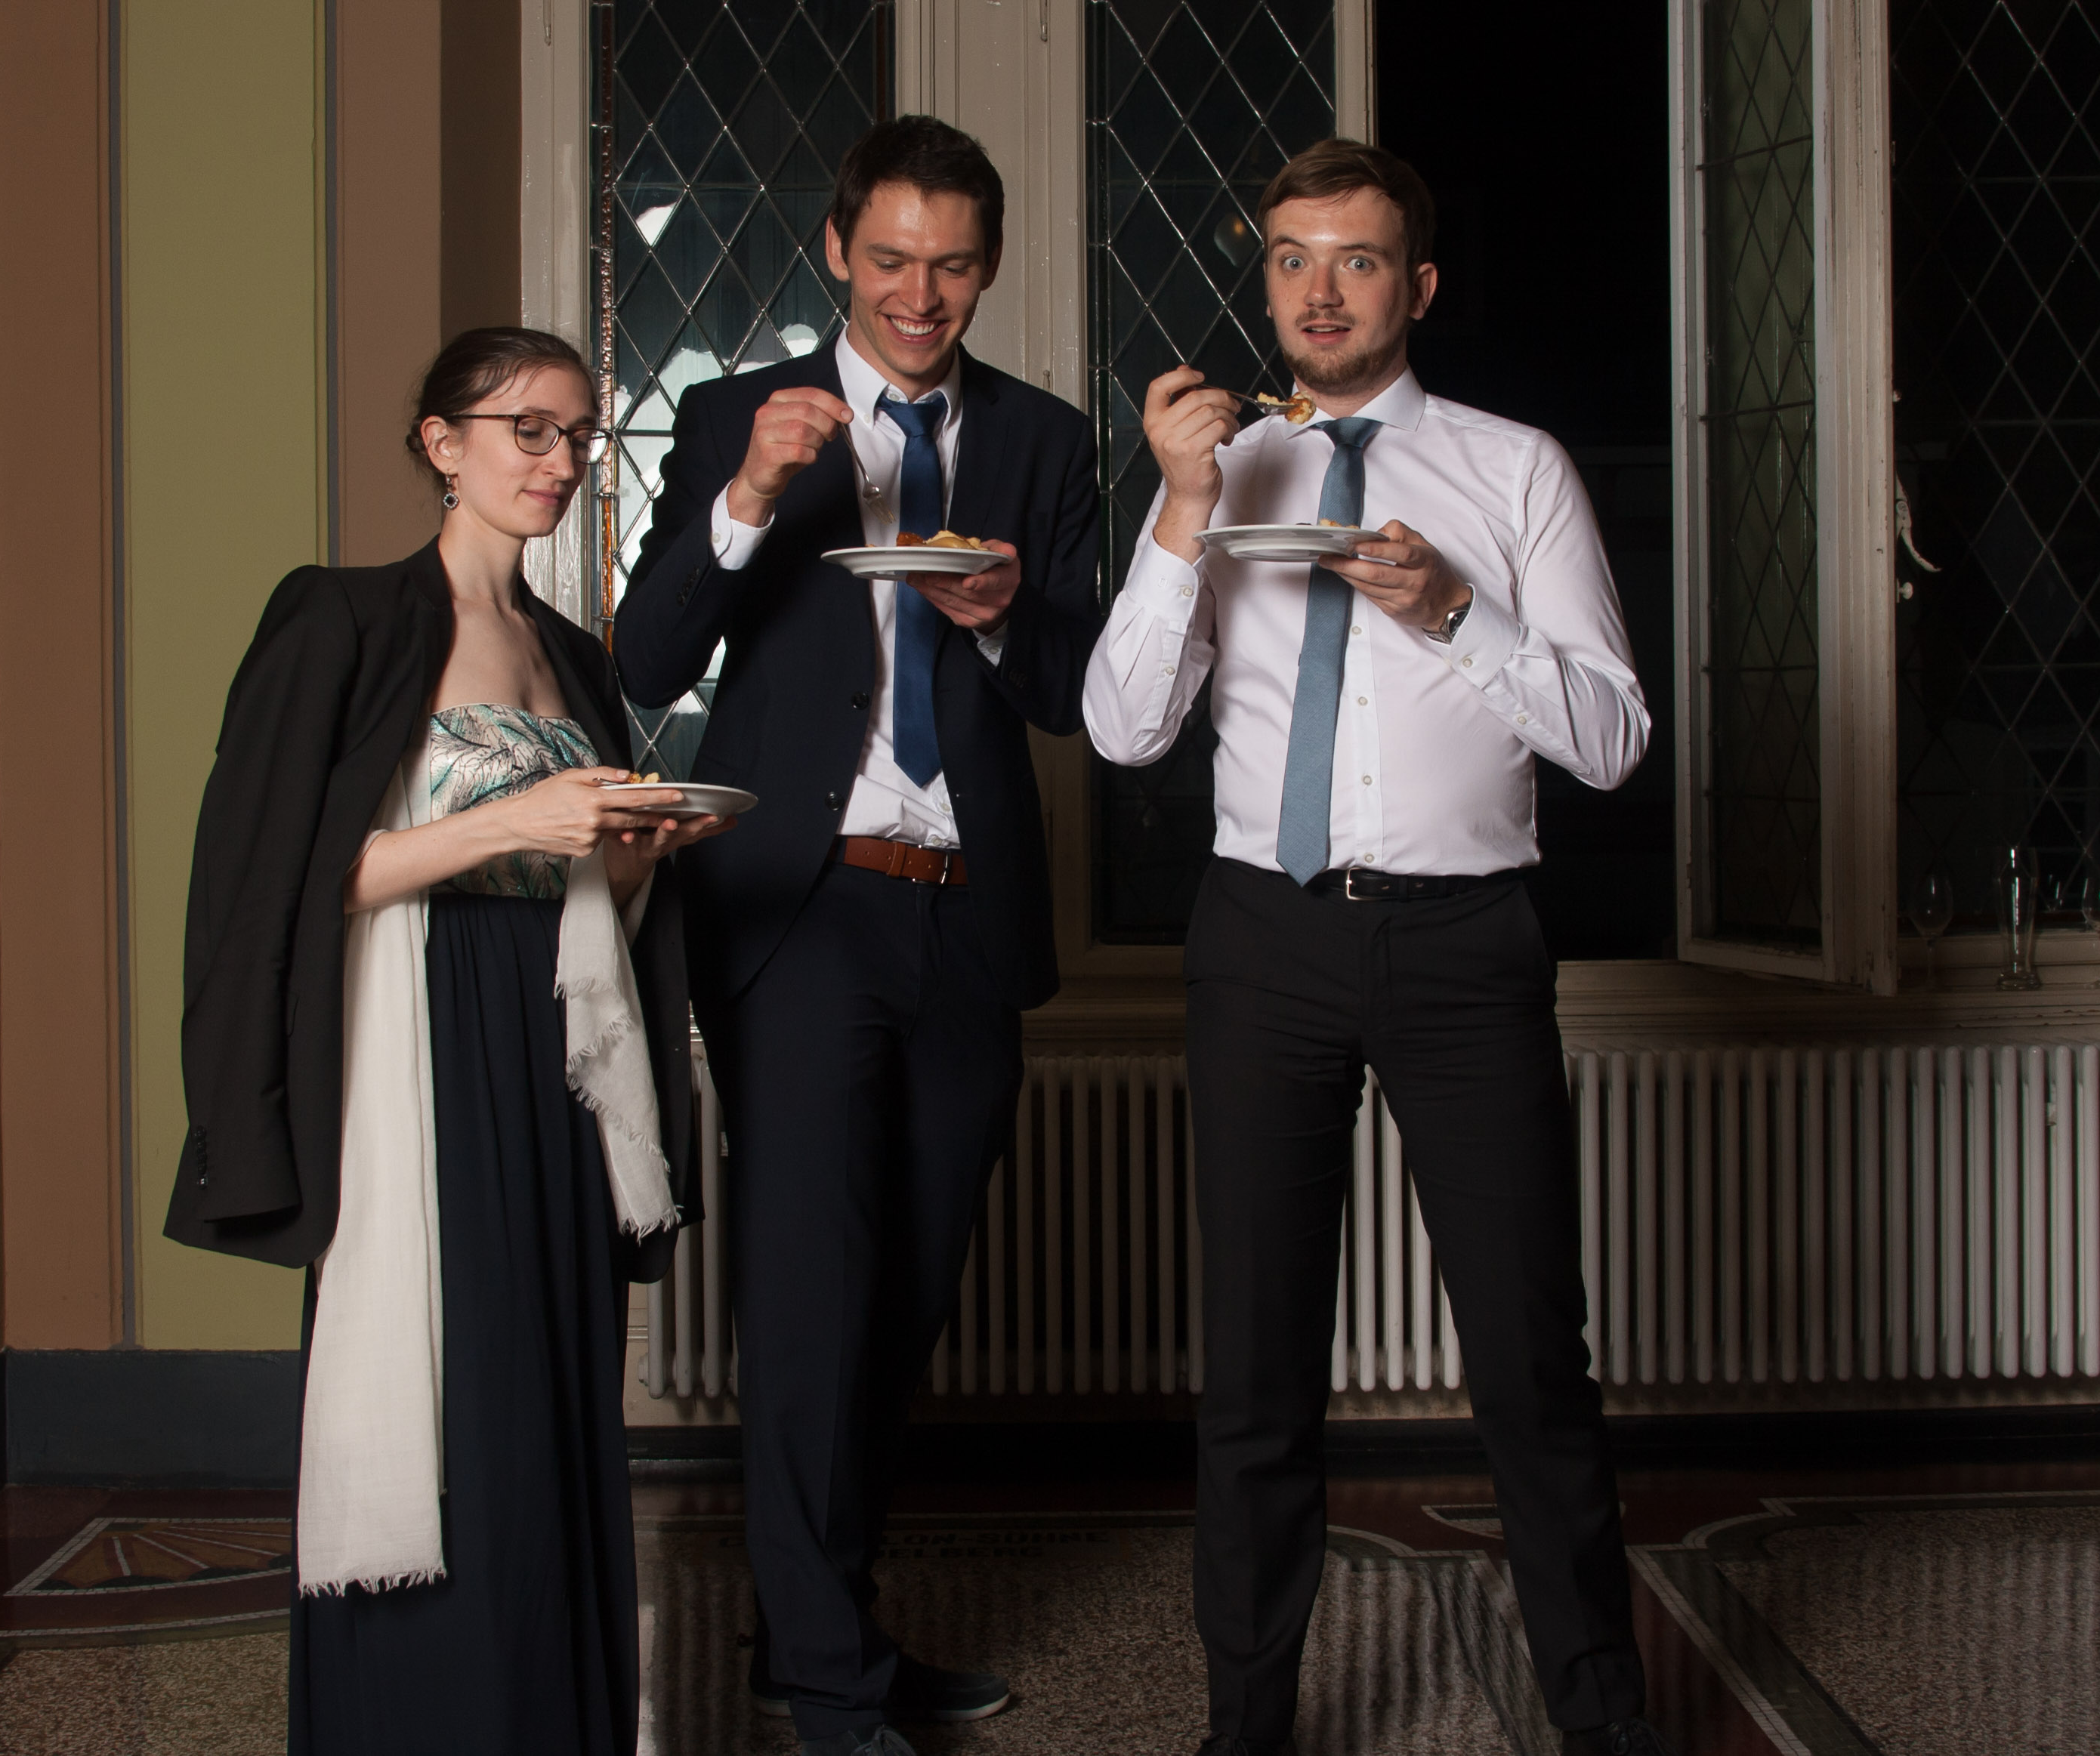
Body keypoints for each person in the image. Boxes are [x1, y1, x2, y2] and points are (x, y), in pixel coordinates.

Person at [1084, 139, 1674, 1756]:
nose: (1318, 290)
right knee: (1255, 1373)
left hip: (1466, 941)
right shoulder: (1222, 469)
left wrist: (1456, 612)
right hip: (1260, 938)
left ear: (1413, 285)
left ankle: (1602, 1720)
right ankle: (1247, 1729)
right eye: (1290, 257)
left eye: (1353, 259)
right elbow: (1125, 729)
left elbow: (1613, 739)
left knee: (1531, 1361)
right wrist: (1183, 508)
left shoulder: (1513, 468)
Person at [164, 327, 726, 1755]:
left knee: (551, 1390)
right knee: (455, 1391)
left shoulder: (575, 654)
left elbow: (586, 886)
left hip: (556, 1048)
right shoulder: (342, 617)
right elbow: (275, 881)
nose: (559, 459)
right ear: (440, 443)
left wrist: (634, 852)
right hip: (420, 1042)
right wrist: (510, 822)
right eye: (526, 429)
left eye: (577, 434)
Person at [614, 115, 1101, 1756]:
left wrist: (1007, 615)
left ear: (989, 266)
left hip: (967, 916)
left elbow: (1081, 697)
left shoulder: (1039, 438)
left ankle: (810, 1623)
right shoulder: (732, 415)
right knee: (813, 1287)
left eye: (951, 265)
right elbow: (644, 655)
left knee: (906, 1290)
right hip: (804, 909)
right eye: (889, 258)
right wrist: (752, 492)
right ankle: (832, 1689)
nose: (918, 293)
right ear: (836, 249)